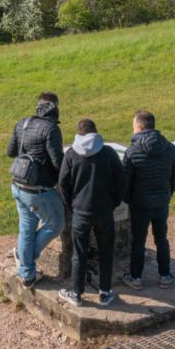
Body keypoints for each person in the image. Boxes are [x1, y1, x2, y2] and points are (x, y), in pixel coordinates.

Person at [56, 118, 125, 307]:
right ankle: (105, 292)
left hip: (80, 211)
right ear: (96, 132)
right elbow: (121, 181)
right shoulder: (108, 153)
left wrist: (70, 204)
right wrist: (114, 202)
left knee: (79, 253)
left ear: (78, 135)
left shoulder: (71, 154)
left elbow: (63, 183)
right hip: (104, 210)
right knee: (106, 251)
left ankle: (76, 293)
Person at [6, 91, 66, 288]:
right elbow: (58, 161)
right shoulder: (50, 129)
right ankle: (27, 260)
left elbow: (10, 152)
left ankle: (27, 275)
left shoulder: (22, 123)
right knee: (56, 224)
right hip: (38, 190)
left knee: (26, 227)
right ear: (55, 108)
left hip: (18, 184)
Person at [122, 110, 175, 290]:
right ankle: (165, 275)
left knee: (138, 241)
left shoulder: (133, 152)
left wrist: (130, 199)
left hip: (140, 204)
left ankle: (136, 277)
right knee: (161, 238)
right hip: (161, 202)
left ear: (139, 127)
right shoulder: (170, 148)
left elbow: (125, 182)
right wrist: (166, 194)